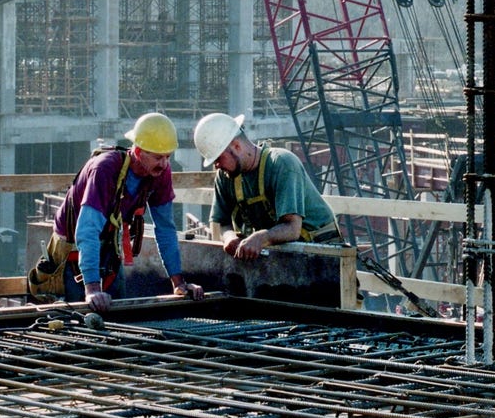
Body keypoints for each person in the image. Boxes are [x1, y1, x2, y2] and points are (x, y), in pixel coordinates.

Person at [50, 112, 204, 313]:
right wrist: (93, 289)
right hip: (70, 249)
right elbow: (87, 230)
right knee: (77, 316)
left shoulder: (160, 173)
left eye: (168, 156)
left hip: (108, 245)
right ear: (138, 152)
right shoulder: (104, 169)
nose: (165, 164)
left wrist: (179, 283)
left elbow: (165, 229)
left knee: (118, 313)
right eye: (158, 157)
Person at [193, 112, 343, 260]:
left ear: (236, 146)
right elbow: (221, 222)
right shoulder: (226, 176)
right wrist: (229, 237)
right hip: (286, 255)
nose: (217, 166)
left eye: (218, 158)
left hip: (322, 253)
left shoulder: (282, 164)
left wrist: (260, 238)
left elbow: (292, 228)